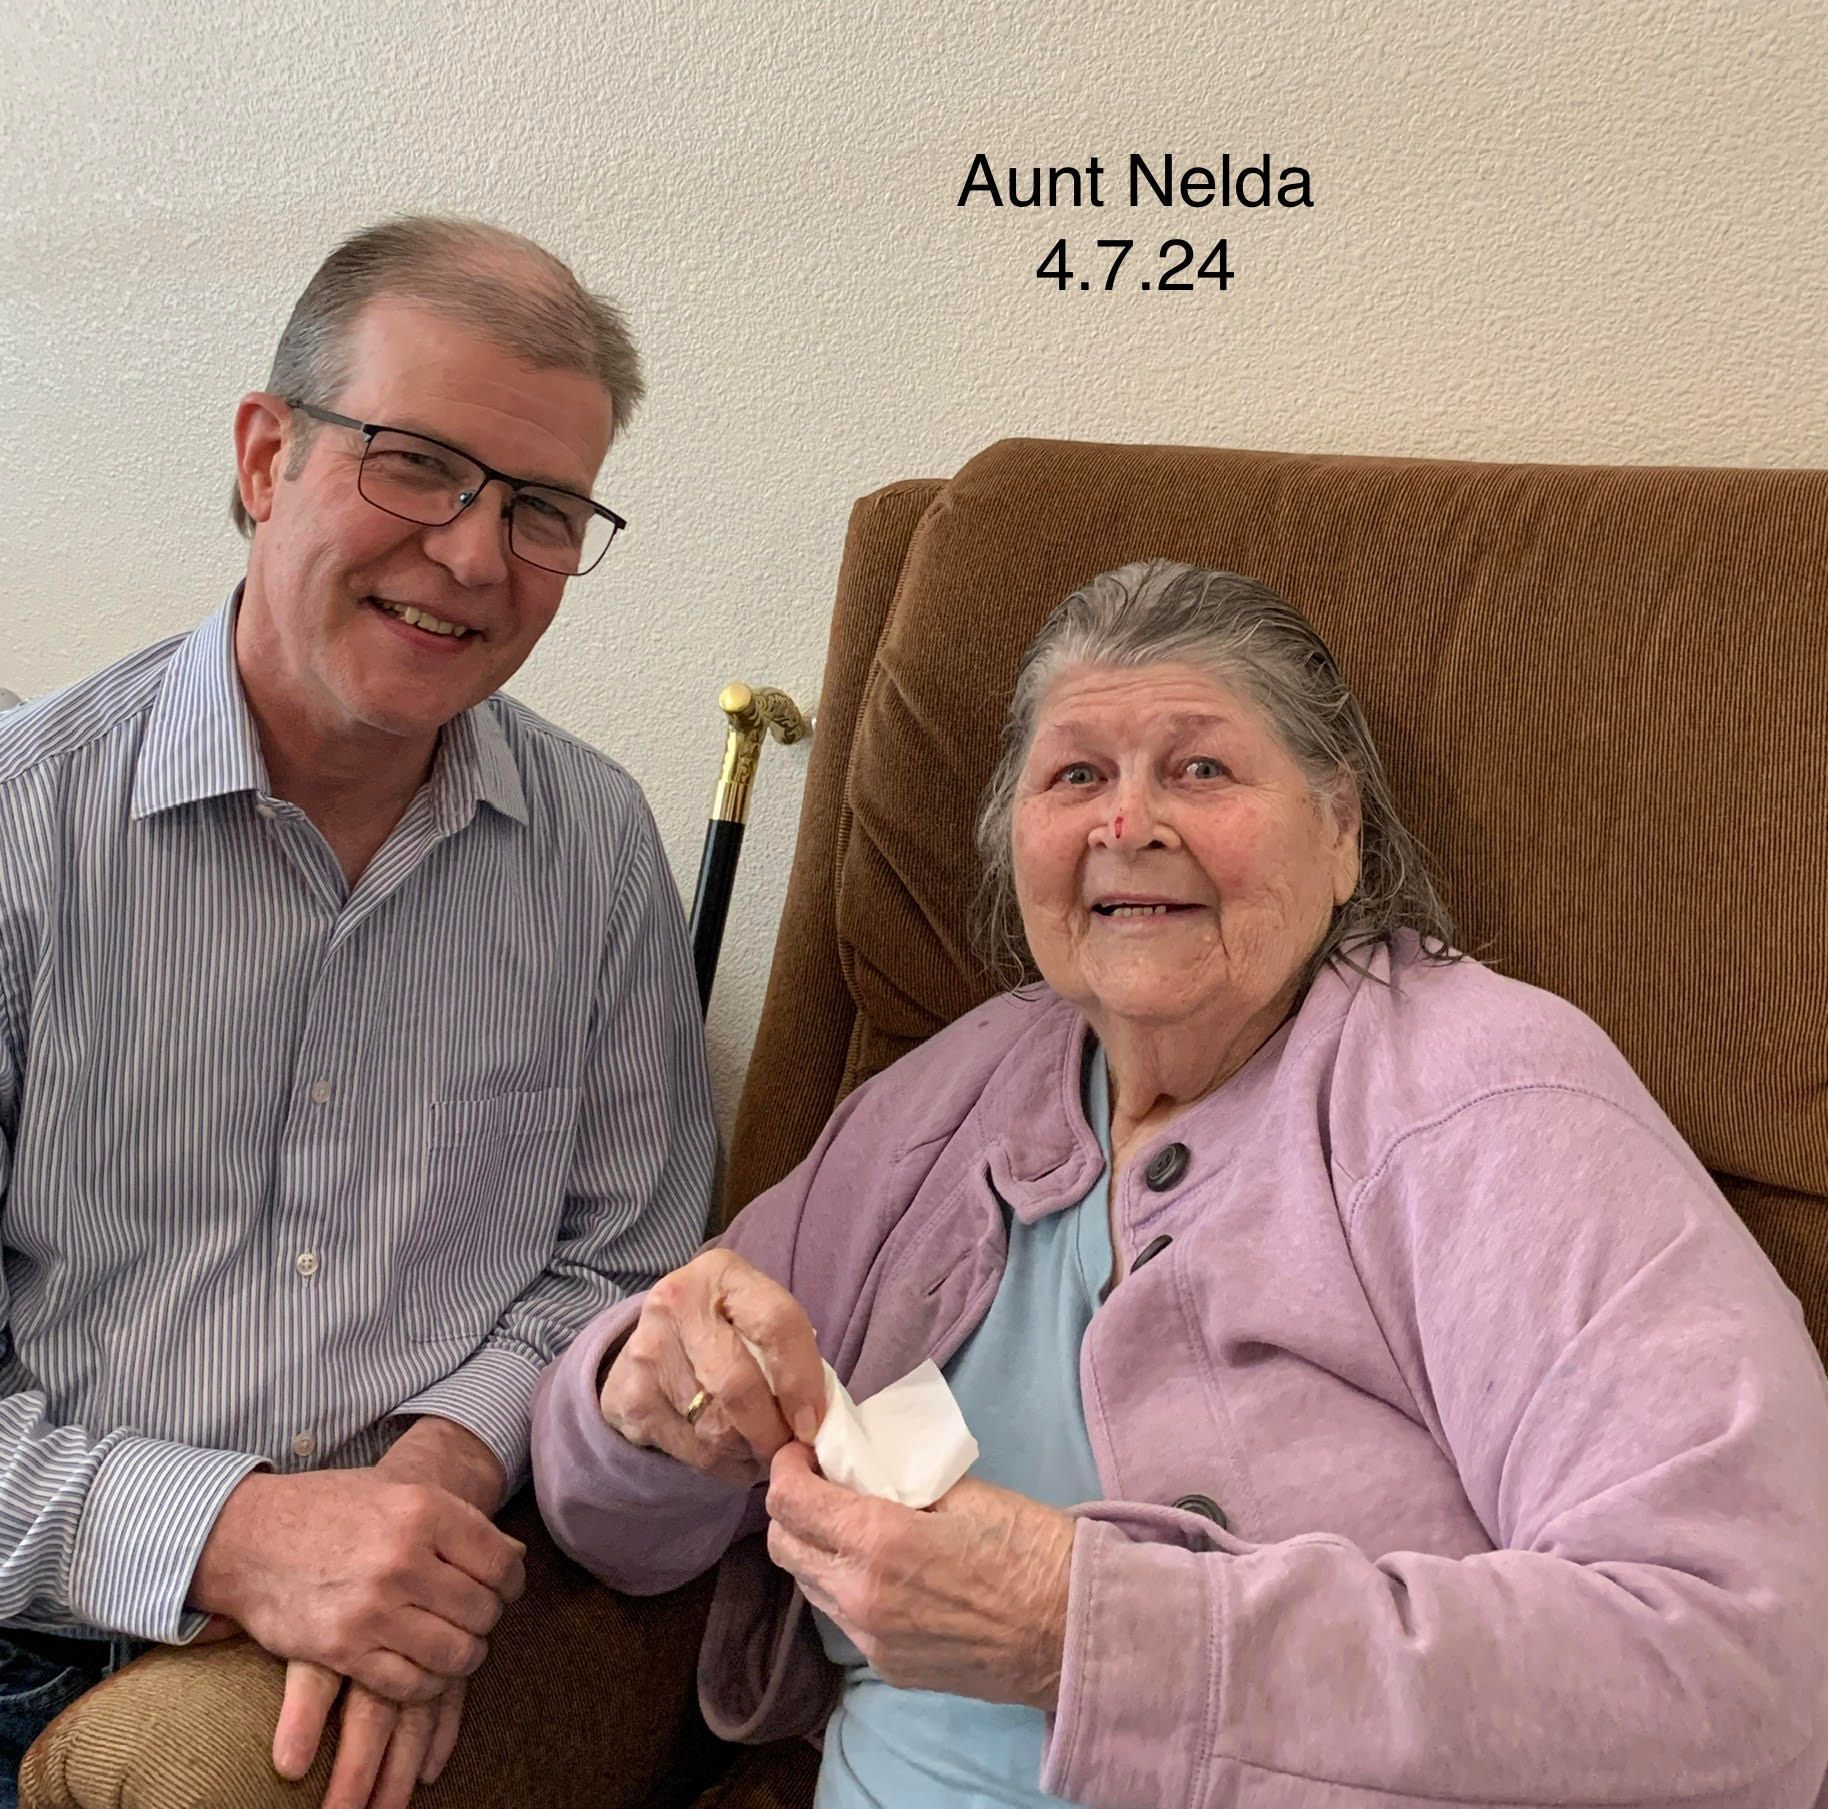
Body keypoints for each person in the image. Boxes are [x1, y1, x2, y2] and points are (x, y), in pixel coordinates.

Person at [535, 559, 1828, 1809]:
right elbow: (616, 1519)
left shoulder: (1487, 1093)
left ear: (1341, 827)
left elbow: (1749, 1674)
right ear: (1013, 843)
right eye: (1078, 773)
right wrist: (637, 1398)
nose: (1129, 822)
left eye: (1200, 767)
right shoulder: (943, 1099)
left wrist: (1079, 1626)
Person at [0, 217, 715, 1806]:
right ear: (266, 456)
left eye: (539, 507)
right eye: (417, 463)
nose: (472, 554)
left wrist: (438, 1468)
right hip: (34, 1610)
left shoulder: (598, 848)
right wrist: (235, 1532)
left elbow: (624, 1260)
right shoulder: (21, 828)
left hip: (420, 1593)